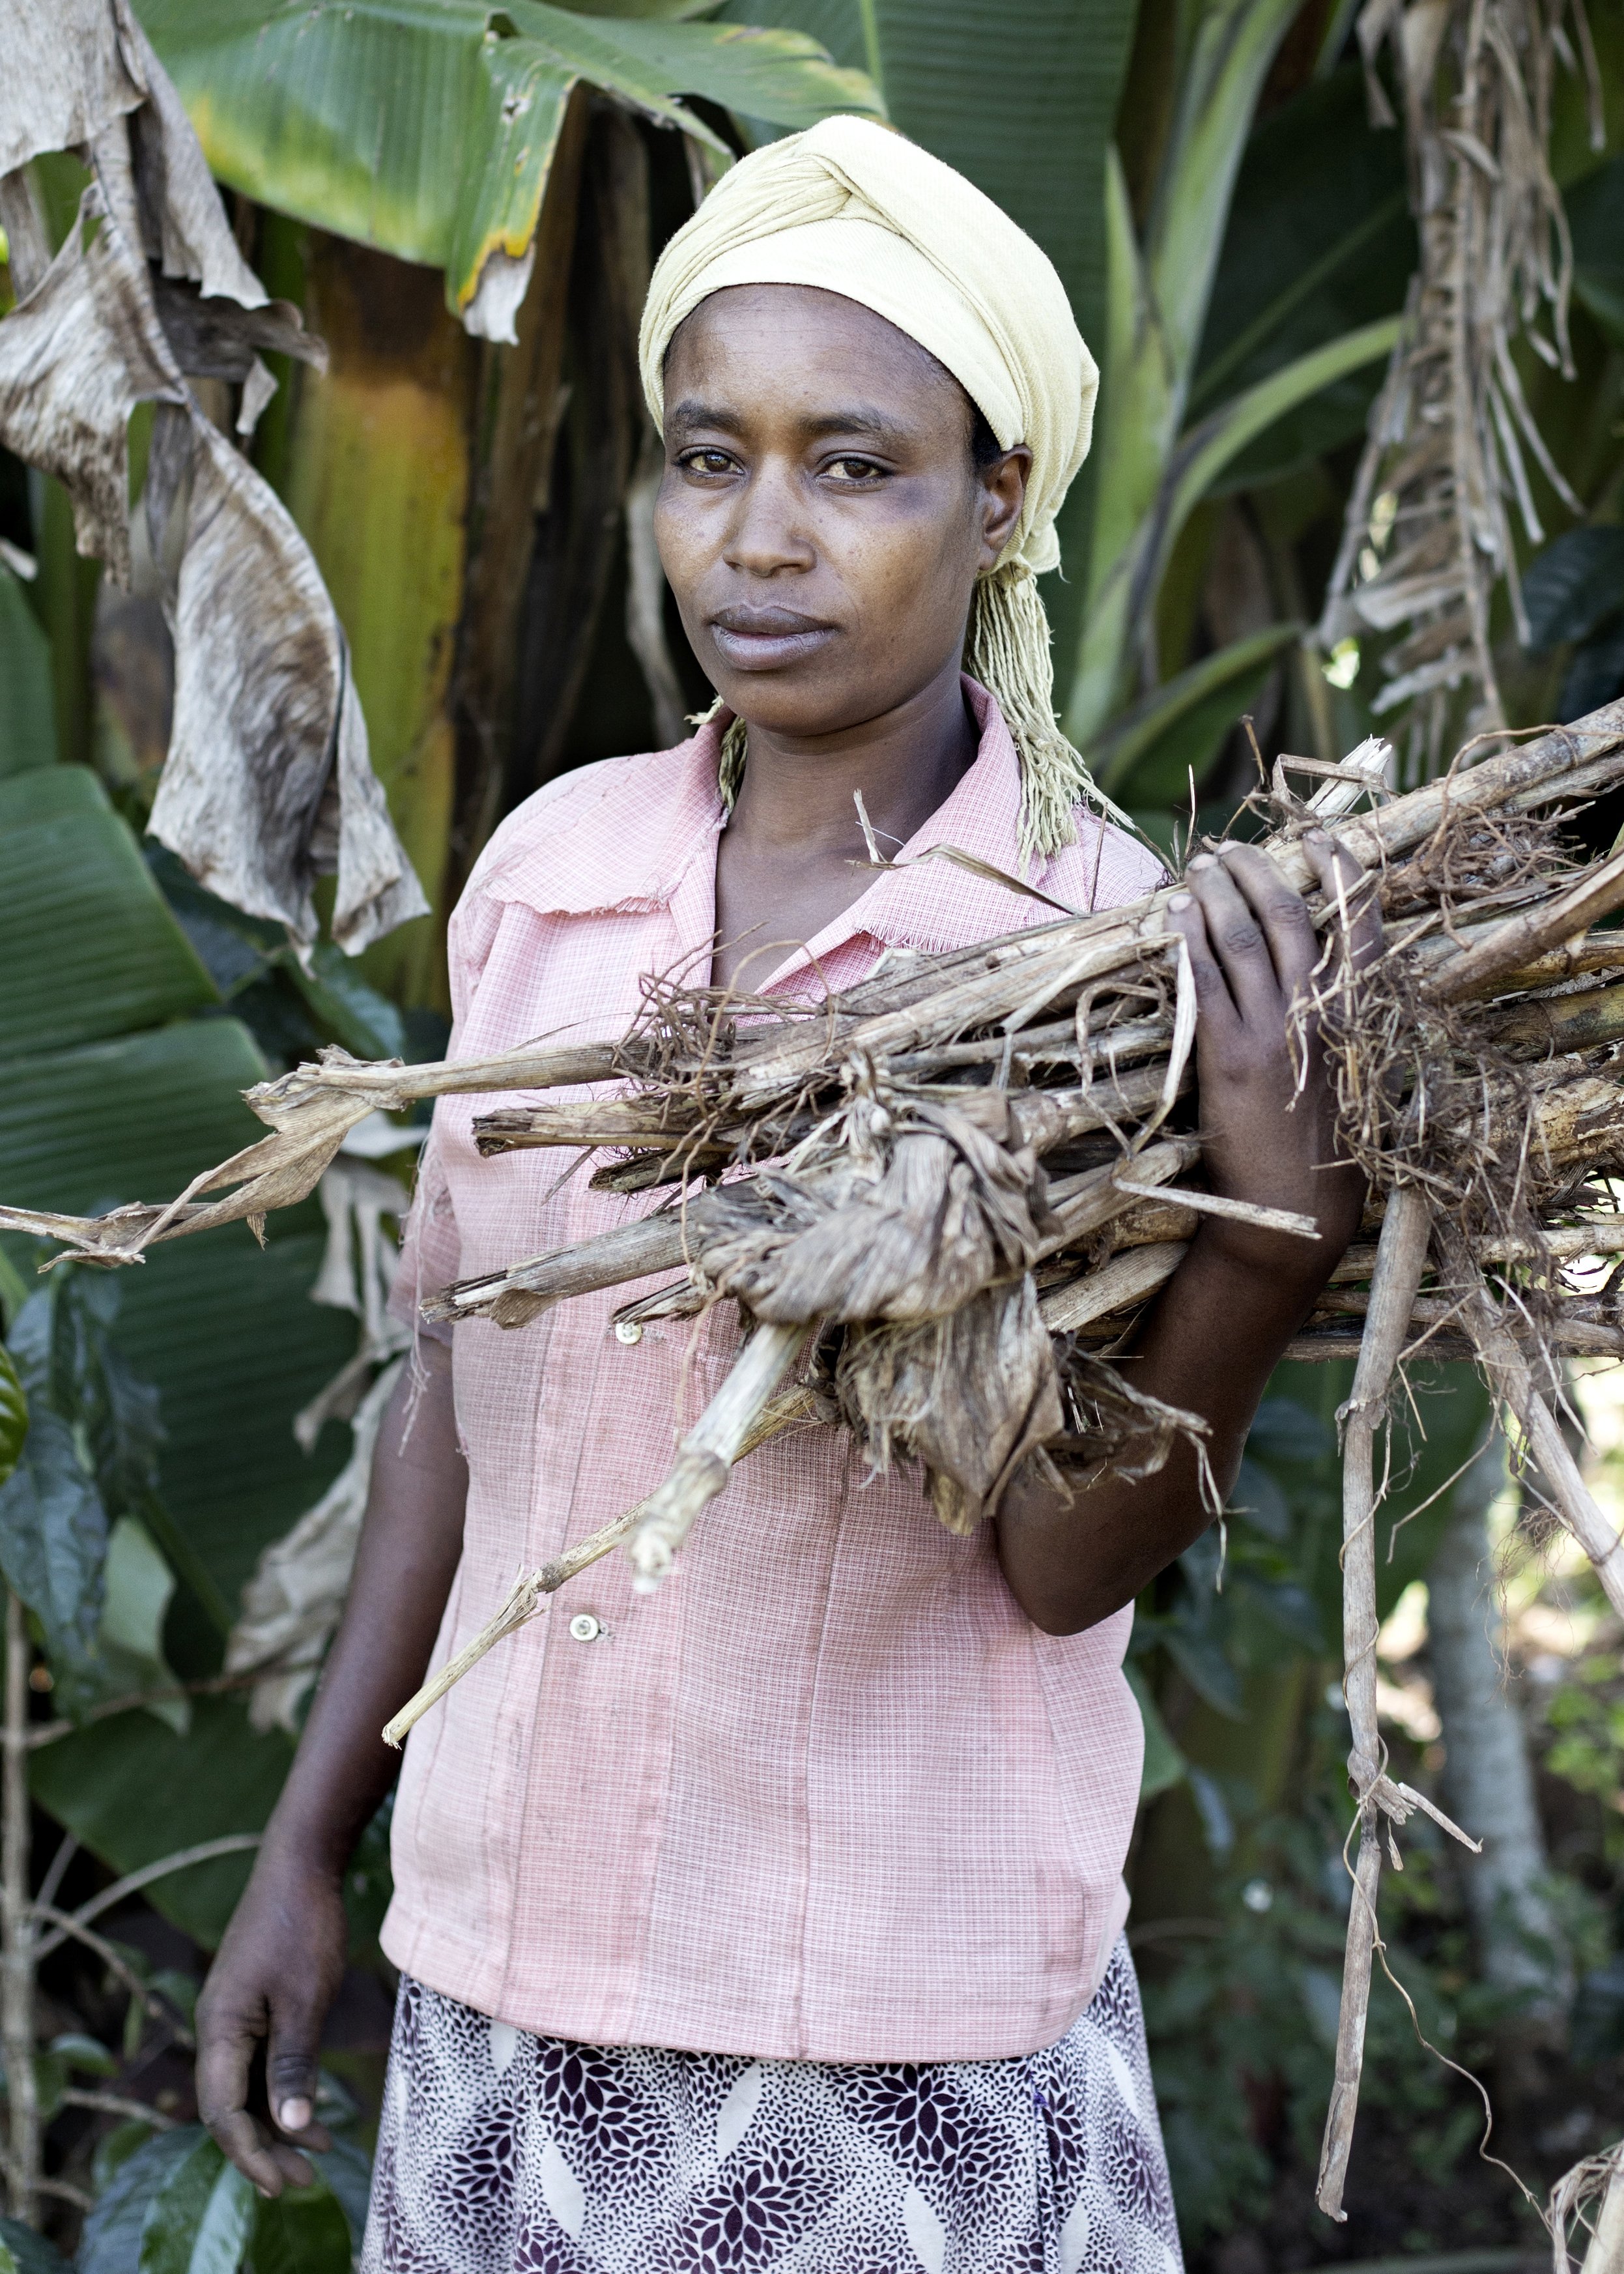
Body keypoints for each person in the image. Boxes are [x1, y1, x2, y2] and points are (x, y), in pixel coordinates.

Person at [195, 117, 1374, 2273]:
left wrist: (1263, 1225)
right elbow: (457, 1397)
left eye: (855, 466)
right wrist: (308, 1846)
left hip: (893, 2042)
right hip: (505, 1992)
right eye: (704, 455)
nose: (759, 538)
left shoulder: (1093, 963)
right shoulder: (553, 882)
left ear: (998, 498)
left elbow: (1059, 1559)